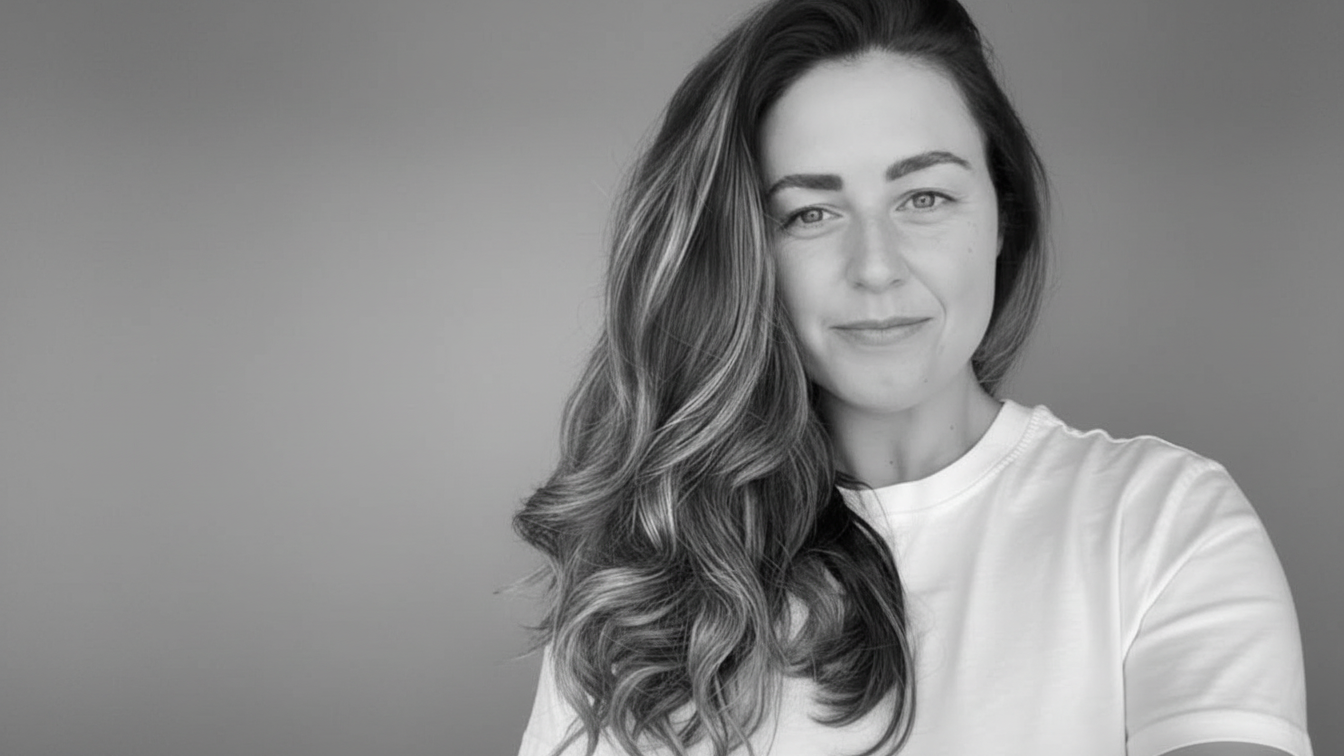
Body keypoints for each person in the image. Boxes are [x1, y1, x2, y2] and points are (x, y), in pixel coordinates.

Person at [512, 0, 1312, 754]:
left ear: (1003, 213)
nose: (876, 268)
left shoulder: (1165, 525)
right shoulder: (649, 574)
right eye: (809, 214)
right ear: (746, 255)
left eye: (924, 196)